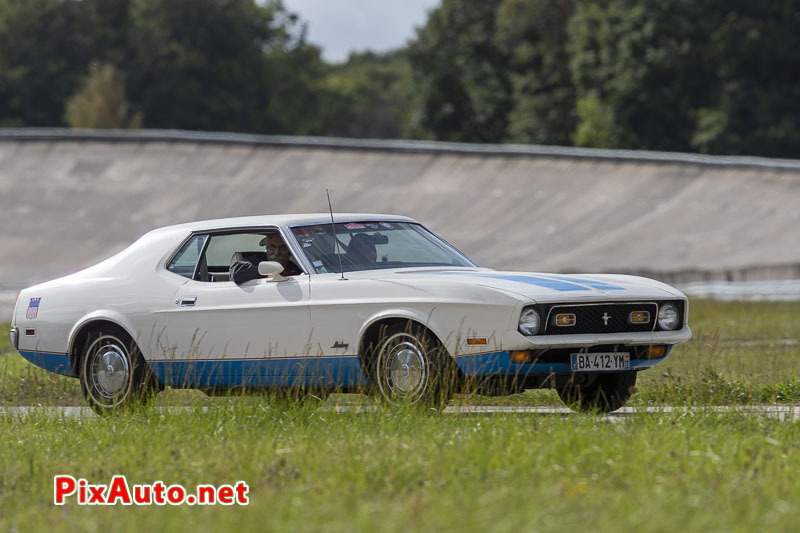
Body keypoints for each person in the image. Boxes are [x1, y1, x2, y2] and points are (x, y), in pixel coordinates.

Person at [230, 232, 302, 284]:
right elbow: (236, 272)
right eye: (272, 247)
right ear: (267, 248)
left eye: (282, 247)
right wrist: (267, 274)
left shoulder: (295, 267)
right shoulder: (255, 261)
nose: (276, 253)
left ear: (290, 251)